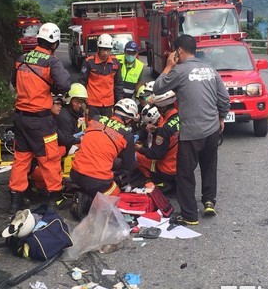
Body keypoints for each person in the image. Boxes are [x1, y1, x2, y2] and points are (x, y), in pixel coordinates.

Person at [153, 34, 230, 225]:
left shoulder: (179, 70)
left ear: (178, 51)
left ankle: (189, 215)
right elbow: (224, 99)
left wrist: (169, 65)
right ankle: (209, 201)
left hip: (191, 133)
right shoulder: (210, 70)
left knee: (185, 174)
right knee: (209, 165)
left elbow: (157, 88)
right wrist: (221, 118)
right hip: (212, 129)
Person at [9, 22, 71, 214]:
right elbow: (64, 84)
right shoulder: (51, 61)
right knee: (49, 157)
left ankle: (15, 200)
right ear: (54, 43)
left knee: (21, 158)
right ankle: (55, 197)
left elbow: (14, 81)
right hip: (40, 121)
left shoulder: (22, 59)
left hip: (20, 118)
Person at [70, 98, 139, 198]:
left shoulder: (96, 118)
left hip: (75, 172)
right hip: (98, 180)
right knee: (116, 196)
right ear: (128, 119)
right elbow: (128, 165)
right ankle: (86, 199)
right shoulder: (127, 135)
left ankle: (86, 191)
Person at [135, 91, 180, 193]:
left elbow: (156, 154)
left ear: (163, 107)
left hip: (167, 168)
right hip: (180, 164)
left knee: (136, 156)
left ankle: (154, 180)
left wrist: (140, 149)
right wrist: (156, 130)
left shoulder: (165, 129)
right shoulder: (178, 117)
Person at [79, 33, 123, 119]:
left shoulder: (115, 62)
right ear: (98, 49)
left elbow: (118, 83)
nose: (105, 53)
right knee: (92, 128)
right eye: (103, 49)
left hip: (109, 104)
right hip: (92, 104)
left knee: (108, 129)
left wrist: (120, 101)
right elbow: (82, 82)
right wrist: (83, 101)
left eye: (108, 50)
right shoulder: (89, 62)